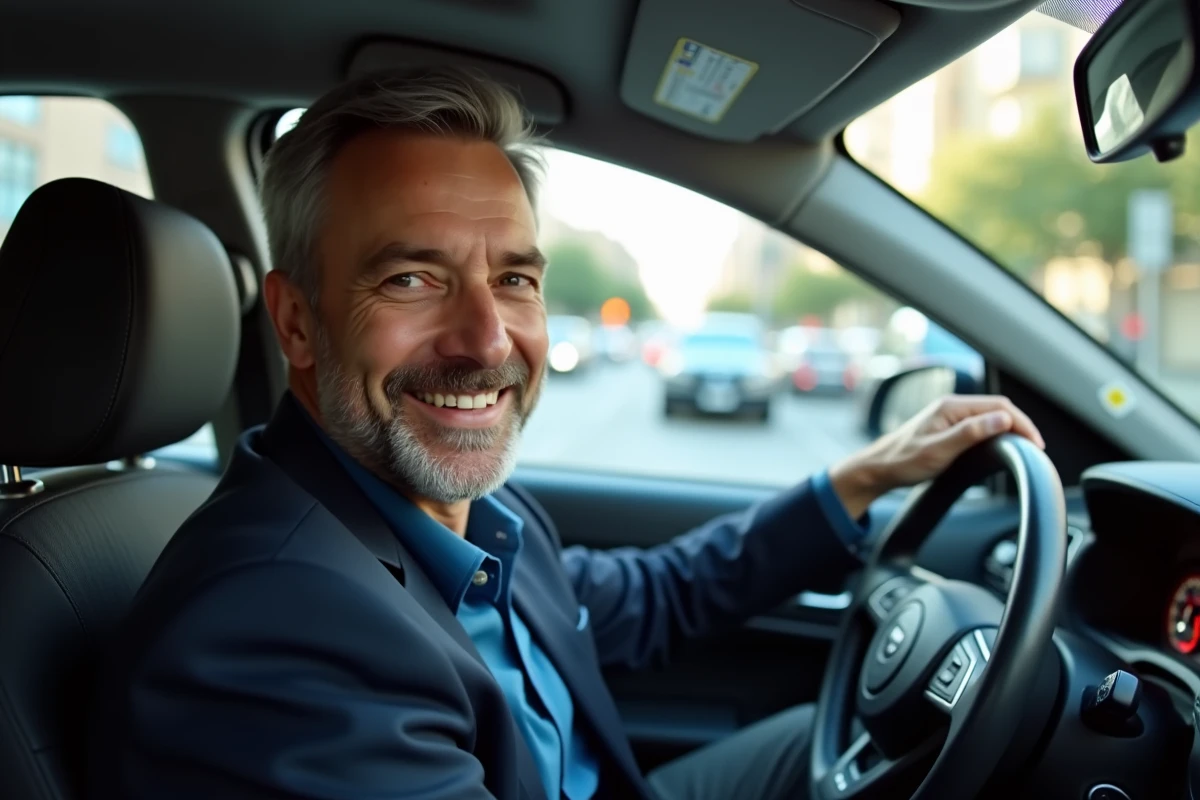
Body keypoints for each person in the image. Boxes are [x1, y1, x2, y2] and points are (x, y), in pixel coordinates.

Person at [86, 68, 1044, 800]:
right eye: (411, 279)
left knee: (831, 746)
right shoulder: (273, 634)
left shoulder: (472, 519)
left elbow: (647, 598)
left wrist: (868, 475)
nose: (486, 339)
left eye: (514, 278)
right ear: (297, 323)